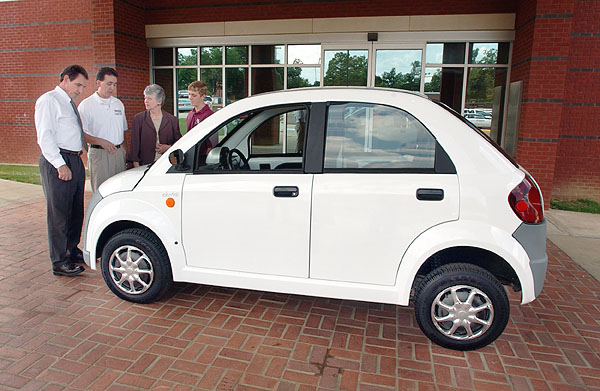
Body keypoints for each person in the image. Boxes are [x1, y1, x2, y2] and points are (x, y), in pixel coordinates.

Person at [35, 64, 88, 277]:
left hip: (74, 159)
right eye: (78, 85)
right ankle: (59, 261)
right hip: (59, 160)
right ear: (65, 79)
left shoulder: (68, 103)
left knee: (75, 210)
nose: (80, 91)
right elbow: (45, 136)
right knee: (59, 213)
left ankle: (72, 250)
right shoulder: (49, 101)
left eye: (83, 87)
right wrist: (60, 164)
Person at [78, 67, 128, 192]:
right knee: (102, 191)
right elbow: (81, 134)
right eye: (109, 84)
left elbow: (122, 132)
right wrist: (101, 142)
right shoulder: (86, 105)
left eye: (115, 84)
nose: (112, 88)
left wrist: (125, 153)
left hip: (118, 153)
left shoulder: (118, 104)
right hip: (99, 155)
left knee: (120, 190)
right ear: (99, 83)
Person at [129, 84, 181, 167]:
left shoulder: (172, 120)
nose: (146, 101)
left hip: (166, 164)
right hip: (144, 164)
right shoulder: (139, 119)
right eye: (145, 98)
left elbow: (179, 143)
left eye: (149, 98)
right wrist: (136, 165)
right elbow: (134, 145)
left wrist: (168, 148)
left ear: (159, 101)